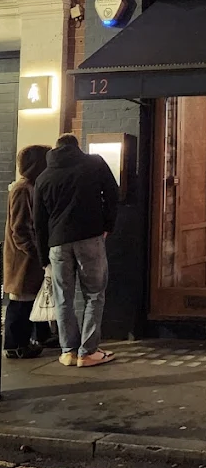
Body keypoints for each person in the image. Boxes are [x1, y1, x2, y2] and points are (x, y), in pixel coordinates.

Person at [34, 134, 119, 368]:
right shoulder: (94, 163)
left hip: (56, 243)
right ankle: (88, 352)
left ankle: (68, 351)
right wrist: (107, 226)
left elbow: (38, 223)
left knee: (64, 298)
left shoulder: (43, 178)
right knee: (94, 294)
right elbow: (112, 194)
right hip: (89, 237)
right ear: (76, 146)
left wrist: (44, 258)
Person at [3, 145, 53, 359]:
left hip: (28, 257)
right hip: (23, 259)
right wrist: (36, 252)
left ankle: (40, 337)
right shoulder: (23, 189)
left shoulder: (30, 186)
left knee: (32, 298)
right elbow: (20, 228)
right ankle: (15, 346)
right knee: (20, 302)